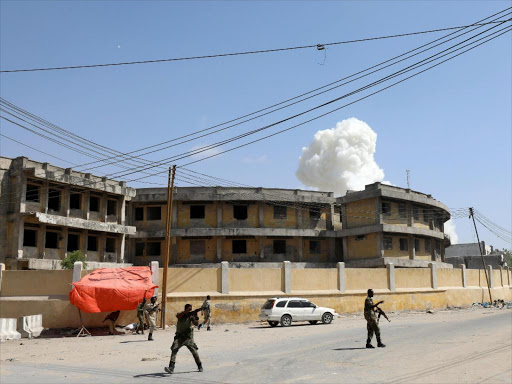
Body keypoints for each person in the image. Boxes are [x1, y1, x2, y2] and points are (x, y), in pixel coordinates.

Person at [165, 304, 203, 374]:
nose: (190, 310)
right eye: (188, 309)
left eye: (190, 309)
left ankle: (200, 366)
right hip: (179, 337)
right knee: (174, 350)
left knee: (194, 352)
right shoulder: (180, 314)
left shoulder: (190, 316)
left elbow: (196, 324)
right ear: (185, 309)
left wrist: (194, 318)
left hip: (188, 337)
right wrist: (186, 312)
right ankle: (171, 367)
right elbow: (178, 315)